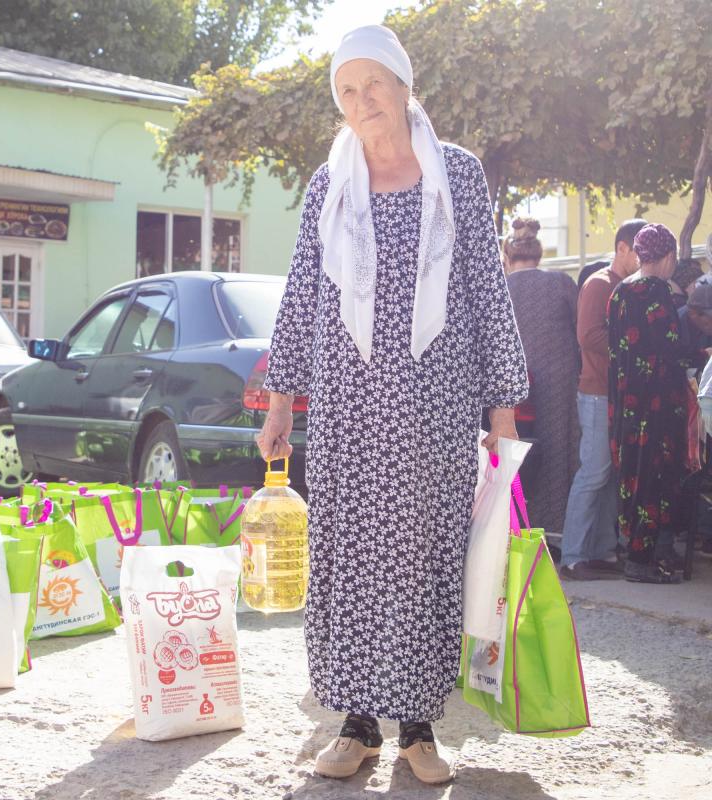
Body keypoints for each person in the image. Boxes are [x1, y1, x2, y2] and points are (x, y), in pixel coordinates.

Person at [256, 26, 527, 786]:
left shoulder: (459, 177)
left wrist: (502, 412)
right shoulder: (328, 184)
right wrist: (282, 403)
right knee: (348, 564)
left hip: (438, 407)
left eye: (374, 83)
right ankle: (353, 726)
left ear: (406, 86)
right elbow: (302, 295)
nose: (362, 100)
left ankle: (417, 729)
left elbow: (485, 291)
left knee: (426, 563)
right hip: (349, 408)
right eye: (347, 90)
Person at [608, 223, 708, 583]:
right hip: (658, 406)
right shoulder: (658, 292)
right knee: (657, 479)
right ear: (666, 257)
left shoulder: (620, 291)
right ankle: (643, 562)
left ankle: (634, 554)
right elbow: (670, 347)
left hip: (627, 405)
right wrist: (701, 351)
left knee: (632, 477)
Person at [558, 218, 647, 580]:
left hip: (612, 395)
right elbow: (588, 336)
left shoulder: (624, 286)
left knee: (609, 476)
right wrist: (631, 347)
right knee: (593, 474)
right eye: (638, 252)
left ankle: (602, 552)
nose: (642, 260)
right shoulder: (599, 285)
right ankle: (573, 557)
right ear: (622, 248)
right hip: (596, 394)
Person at [503, 217, 580, 533]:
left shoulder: (500, 286)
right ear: (540, 253)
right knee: (560, 448)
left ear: (507, 256)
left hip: (514, 386)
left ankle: (517, 525)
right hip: (560, 382)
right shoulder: (561, 283)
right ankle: (559, 525)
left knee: (515, 455)